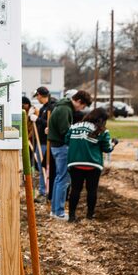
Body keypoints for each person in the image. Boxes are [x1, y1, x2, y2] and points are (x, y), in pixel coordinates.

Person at [65, 108, 118, 222]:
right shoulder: (102, 131)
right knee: (92, 190)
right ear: (102, 120)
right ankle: (89, 216)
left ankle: (71, 216)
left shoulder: (74, 126)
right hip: (93, 164)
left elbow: (66, 140)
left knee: (75, 190)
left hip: (75, 163)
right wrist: (114, 143)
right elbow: (107, 148)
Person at [47, 90, 92, 220]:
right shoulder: (64, 109)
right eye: (82, 106)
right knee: (64, 180)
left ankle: (55, 210)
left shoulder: (62, 106)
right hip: (62, 147)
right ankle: (59, 212)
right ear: (78, 101)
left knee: (58, 178)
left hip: (56, 146)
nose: (81, 108)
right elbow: (64, 131)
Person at [34, 87, 56, 198]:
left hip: (46, 143)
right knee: (40, 167)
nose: (37, 99)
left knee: (45, 168)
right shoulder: (43, 108)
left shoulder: (51, 107)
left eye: (37, 96)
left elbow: (50, 123)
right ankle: (43, 190)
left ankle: (45, 191)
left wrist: (37, 119)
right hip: (40, 142)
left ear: (39, 95)